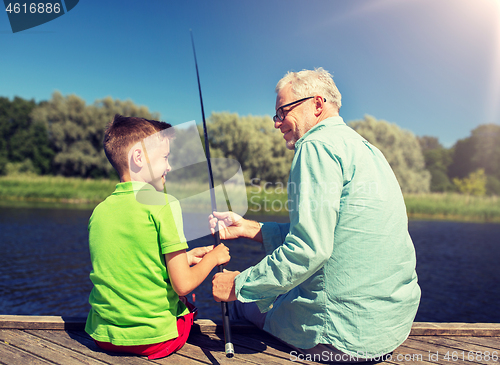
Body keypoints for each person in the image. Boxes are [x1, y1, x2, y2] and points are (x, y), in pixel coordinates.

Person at [210, 68, 420, 362]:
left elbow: (308, 251)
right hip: (390, 327)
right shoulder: (366, 150)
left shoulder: (314, 147)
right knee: (275, 290)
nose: (277, 123)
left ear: (317, 104)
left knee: (242, 303)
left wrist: (238, 285)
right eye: (276, 115)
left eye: (283, 112)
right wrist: (252, 228)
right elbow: (336, 233)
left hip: (341, 338)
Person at [85, 114, 230, 360]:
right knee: (187, 303)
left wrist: (185, 256)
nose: (169, 166)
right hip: (154, 340)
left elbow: (132, 260)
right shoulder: (164, 204)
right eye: (165, 157)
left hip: (102, 336)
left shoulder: (99, 211)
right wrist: (214, 258)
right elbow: (183, 285)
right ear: (138, 157)